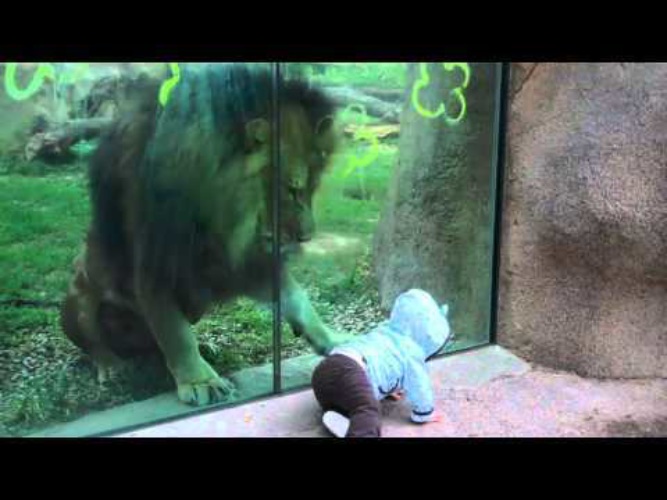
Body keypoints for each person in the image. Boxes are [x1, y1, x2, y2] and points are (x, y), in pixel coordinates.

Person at [311, 288, 453, 438]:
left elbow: (381, 364)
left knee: (355, 402)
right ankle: (361, 432)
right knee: (369, 410)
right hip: (352, 370)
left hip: (324, 374)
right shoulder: (412, 351)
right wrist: (425, 413)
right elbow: (419, 385)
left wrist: (389, 390)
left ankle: (345, 418)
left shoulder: (385, 331)